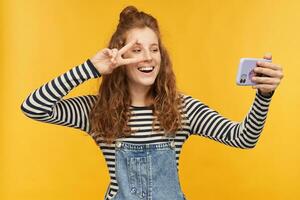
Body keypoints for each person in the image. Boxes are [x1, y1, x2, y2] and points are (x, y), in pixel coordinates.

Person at [20, 5, 284, 200]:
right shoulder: (96, 111)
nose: (148, 57)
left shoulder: (182, 109)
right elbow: (33, 106)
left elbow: (243, 138)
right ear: (118, 58)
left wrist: (263, 96)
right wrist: (91, 68)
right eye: (136, 50)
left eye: (154, 48)